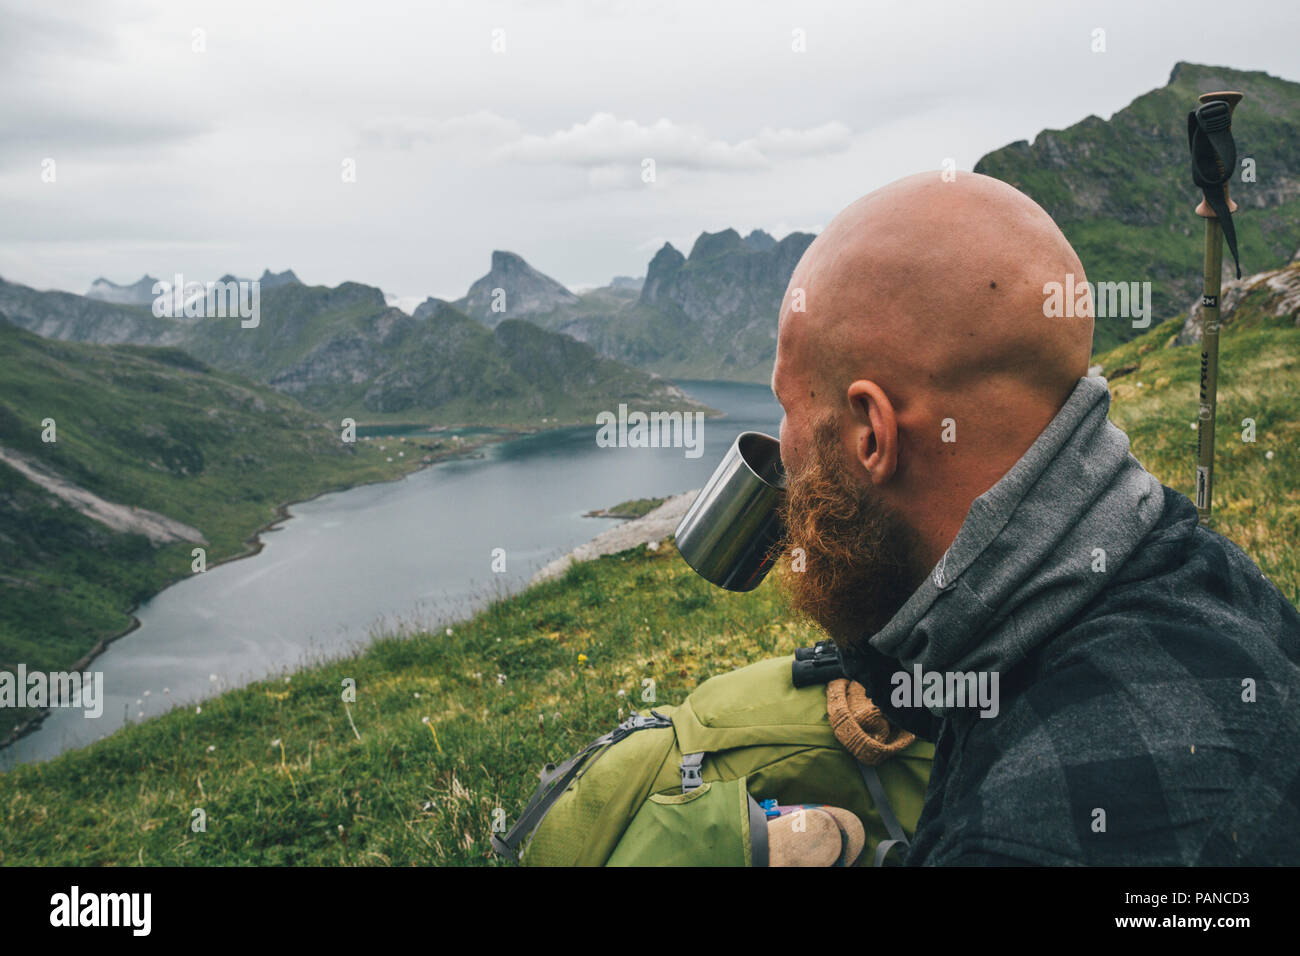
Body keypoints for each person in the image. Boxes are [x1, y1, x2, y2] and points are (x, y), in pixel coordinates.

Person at [770, 170, 1300, 865]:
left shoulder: (1026, 835)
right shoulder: (1181, 561)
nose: (782, 448)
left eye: (787, 405)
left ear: (872, 432)